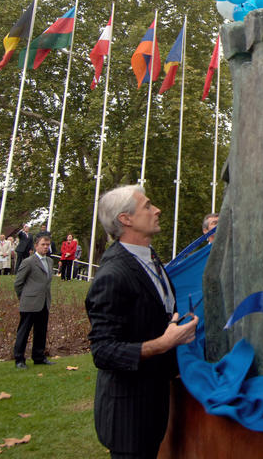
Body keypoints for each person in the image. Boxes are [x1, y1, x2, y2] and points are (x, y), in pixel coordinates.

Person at [86, 185, 196, 459]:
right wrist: (163, 343)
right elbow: (103, 351)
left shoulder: (151, 259)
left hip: (153, 404)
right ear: (126, 219)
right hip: (128, 417)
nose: (157, 210)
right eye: (147, 206)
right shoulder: (113, 274)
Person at [13, 235, 54, 368]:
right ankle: (19, 359)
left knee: (41, 331)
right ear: (36, 245)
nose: (46, 247)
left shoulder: (49, 261)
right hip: (29, 303)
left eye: (48, 245)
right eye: (43, 244)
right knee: (23, 332)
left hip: (44, 302)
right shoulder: (28, 262)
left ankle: (38, 356)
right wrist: (24, 298)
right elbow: (18, 283)